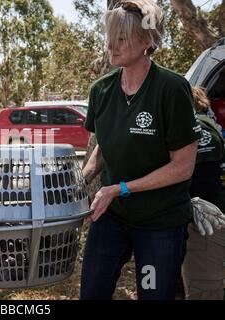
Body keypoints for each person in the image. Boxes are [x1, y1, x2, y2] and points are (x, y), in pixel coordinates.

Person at [80, 0, 201, 300]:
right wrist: (78, 181)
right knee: (92, 293)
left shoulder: (172, 90)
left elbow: (183, 167)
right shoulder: (101, 91)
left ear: (147, 41)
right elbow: (104, 148)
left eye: (121, 37)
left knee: (153, 295)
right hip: (112, 219)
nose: (111, 44)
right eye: (110, 35)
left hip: (159, 223)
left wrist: (119, 188)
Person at [182, 86, 225, 300]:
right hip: (207, 217)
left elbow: (206, 184)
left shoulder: (199, 128)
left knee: (204, 289)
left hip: (207, 221)